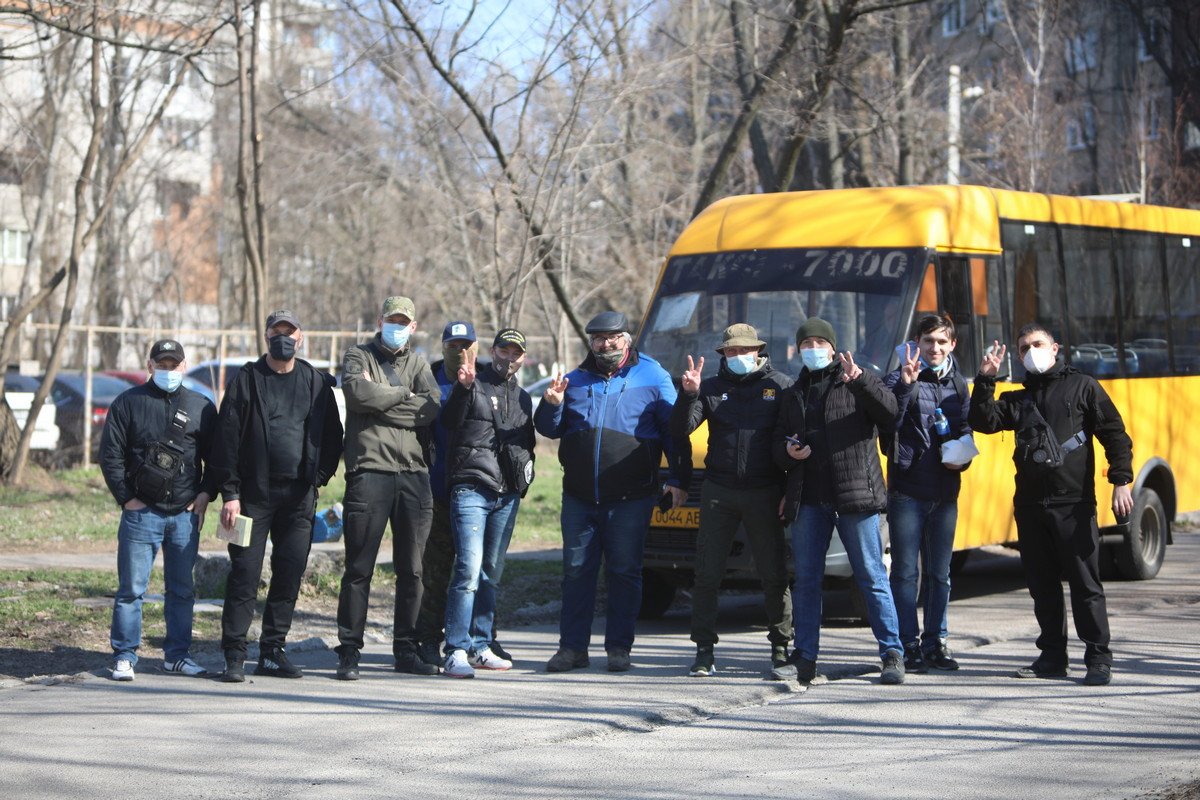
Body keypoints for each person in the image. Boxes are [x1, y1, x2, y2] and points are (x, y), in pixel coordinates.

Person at [969, 323, 1133, 686]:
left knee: (1085, 585)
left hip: (1073, 504)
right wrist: (985, 380)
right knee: (1042, 585)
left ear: (1055, 347)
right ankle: (1052, 657)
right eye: (1024, 347)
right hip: (1030, 505)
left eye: (1037, 344)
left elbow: (1115, 435)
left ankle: (1098, 658)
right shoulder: (1017, 398)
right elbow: (982, 420)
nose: (1031, 351)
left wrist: (1121, 481)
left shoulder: (1083, 386)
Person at [534, 310, 686, 673]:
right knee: (575, 572)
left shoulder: (653, 375)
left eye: (613, 337)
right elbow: (549, 429)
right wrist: (551, 405)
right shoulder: (575, 379)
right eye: (599, 338)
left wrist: (679, 478)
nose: (606, 344)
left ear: (627, 337)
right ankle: (572, 649)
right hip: (580, 497)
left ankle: (619, 648)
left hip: (631, 497)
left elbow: (674, 432)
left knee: (624, 572)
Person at [773, 317, 905, 686]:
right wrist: (787, 453)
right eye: (806, 343)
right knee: (807, 581)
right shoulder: (793, 392)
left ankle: (892, 653)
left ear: (833, 347)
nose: (812, 349)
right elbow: (776, 445)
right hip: (810, 499)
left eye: (819, 342)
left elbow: (891, 414)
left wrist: (861, 381)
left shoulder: (855, 380)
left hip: (854, 496)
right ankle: (805, 658)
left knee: (871, 575)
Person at [214, 310, 344, 682]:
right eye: (276, 332)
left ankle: (272, 651)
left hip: (299, 497)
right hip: (250, 498)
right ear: (266, 335)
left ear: (300, 337)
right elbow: (226, 438)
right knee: (244, 574)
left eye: (290, 332)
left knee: (289, 573)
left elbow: (333, 436)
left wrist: (318, 478)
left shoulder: (316, 382)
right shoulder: (246, 380)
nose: (283, 338)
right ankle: (234, 655)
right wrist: (230, 492)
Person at [670, 323, 794, 678]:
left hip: (766, 490)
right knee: (707, 572)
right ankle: (704, 650)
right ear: (723, 355)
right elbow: (680, 431)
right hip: (719, 491)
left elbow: (793, 440)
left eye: (744, 350)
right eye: (731, 352)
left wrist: (788, 492)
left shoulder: (780, 386)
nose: (738, 357)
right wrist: (688, 395)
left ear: (758, 351)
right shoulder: (710, 388)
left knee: (773, 572)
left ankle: (781, 645)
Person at [334, 296, 440, 680]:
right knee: (359, 568)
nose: (397, 326)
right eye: (391, 319)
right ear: (381, 321)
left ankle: (406, 649)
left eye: (404, 321)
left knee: (412, 570)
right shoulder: (357, 357)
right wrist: (401, 396)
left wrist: (381, 402)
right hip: (369, 473)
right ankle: (349, 650)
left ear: (413, 327)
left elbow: (431, 409)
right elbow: (358, 395)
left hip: (414, 475)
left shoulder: (418, 364)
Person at [99, 339, 217, 681]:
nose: (168, 370)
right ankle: (124, 655)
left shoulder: (201, 406)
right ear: (150, 365)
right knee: (131, 590)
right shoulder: (127, 403)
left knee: (182, 590)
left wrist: (207, 493)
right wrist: (127, 499)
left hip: (184, 514)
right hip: (141, 514)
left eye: (174, 364)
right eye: (161, 364)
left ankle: (177, 656)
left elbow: (218, 458)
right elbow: (111, 456)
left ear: (184, 365)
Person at [440, 328, 535, 678]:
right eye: (504, 350)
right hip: (472, 488)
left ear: (522, 357)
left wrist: (525, 479)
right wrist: (462, 389)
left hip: (506, 494)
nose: (509, 357)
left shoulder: (524, 398)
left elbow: (528, 444)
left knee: (490, 575)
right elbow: (448, 422)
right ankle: (456, 649)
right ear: (492, 351)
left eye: (516, 353)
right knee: (467, 570)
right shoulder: (471, 384)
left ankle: (481, 645)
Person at [883, 313, 974, 674]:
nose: (933, 348)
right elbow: (887, 420)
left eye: (941, 342)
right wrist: (905, 385)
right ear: (916, 344)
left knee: (940, 573)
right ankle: (907, 645)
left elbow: (965, 427)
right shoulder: (900, 376)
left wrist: (961, 460)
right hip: (907, 489)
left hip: (945, 491)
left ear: (952, 345)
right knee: (905, 572)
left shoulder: (958, 384)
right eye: (927, 341)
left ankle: (936, 642)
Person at [413, 320, 479, 671]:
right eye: (452, 345)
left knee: (474, 571)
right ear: (443, 347)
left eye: (465, 344)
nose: (459, 351)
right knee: (433, 571)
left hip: (475, 493)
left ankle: (478, 639)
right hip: (435, 491)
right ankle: (427, 639)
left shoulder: (484, 381)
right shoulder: (427, 378)